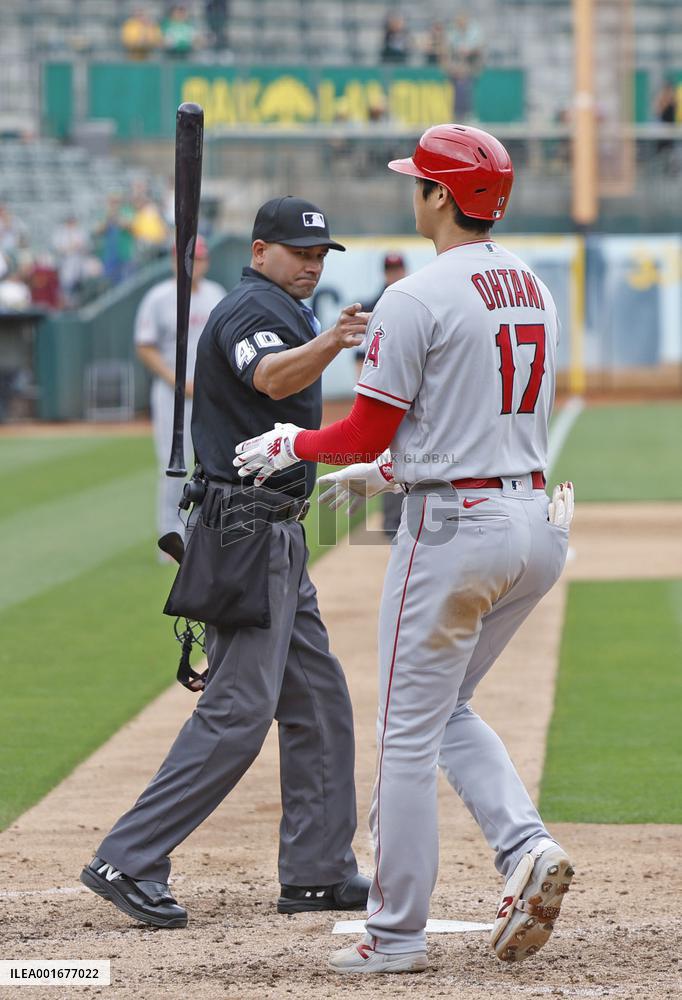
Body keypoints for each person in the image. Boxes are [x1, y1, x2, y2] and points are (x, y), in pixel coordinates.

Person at [234, 125, 576, 974]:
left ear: (439, 198)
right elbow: (463, 423)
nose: (412, 192)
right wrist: (390, 473)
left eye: (420, 182)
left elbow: (358, 429)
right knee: (446, 710)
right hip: (534, 523)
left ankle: (394, 936)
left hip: (454, 534)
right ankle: (523, 846)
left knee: (406, 735)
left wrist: (290, 446)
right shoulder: (533, 285)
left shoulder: (416, 296)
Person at [80, 196, 371, 928]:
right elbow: (270, 378)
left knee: (319, 701)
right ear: (262, 249)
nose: (312, 265)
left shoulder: (281, 307)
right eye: (301, 252)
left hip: (276, 532)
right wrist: (334, 344)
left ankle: (317, 870)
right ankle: (130, 856)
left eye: (321, 255)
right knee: (239, 709)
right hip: (244, 533)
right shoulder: (250, 311)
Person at [134, 236, 227, 540]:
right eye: (189, 259)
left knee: (214, 464)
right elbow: (145, 347)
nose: (194, 264)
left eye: (199, 259)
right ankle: (169, 533)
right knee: (174, 465)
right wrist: (176, 381)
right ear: (175, 261)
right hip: (171, 395)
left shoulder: (216, 294)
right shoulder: (159, 297)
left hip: (211, 395)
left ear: (207, 261)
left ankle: (202, 532)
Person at [355, 252, 409, 538]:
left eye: (398, 268)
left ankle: (412, 516)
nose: (395, 273)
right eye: (391, 269)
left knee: (412, 453)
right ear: (384, 273)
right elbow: (360, 358)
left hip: (408, 391)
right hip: (382, 390)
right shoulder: (372, 307)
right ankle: (391, 521)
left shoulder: (414, 302)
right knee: (390, 455)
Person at [446, 13, 484, 120]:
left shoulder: (474, 32)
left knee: (466, 88)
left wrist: (468, 51)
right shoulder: (453, 33)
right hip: (457, 68)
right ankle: (458, 114)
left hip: (471, 66)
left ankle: (467, 114)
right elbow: (450, 51)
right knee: (458, 90)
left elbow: (478, 48)